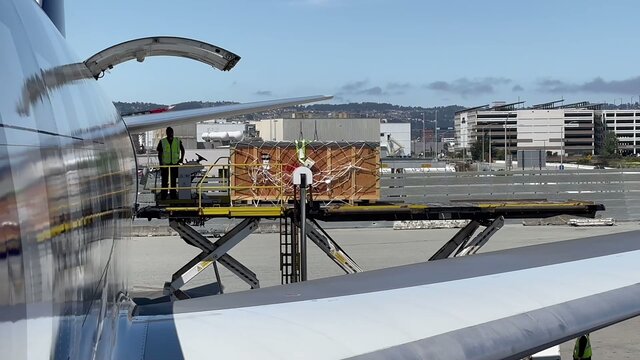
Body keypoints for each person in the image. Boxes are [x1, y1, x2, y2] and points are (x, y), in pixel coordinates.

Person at [156, 127, 185, 200]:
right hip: (165, 164)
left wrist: (181, 159)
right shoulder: (163, 141)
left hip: (174, 163)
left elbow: (182, 149)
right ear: (167, 133)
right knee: (164, 181)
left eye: (171, 132)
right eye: (169, 132)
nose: (170, 134)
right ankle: (164, 196)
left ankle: (173, 195)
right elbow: (159, 153)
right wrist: (161, 163)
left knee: (173, 181)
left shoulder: (177, 140)